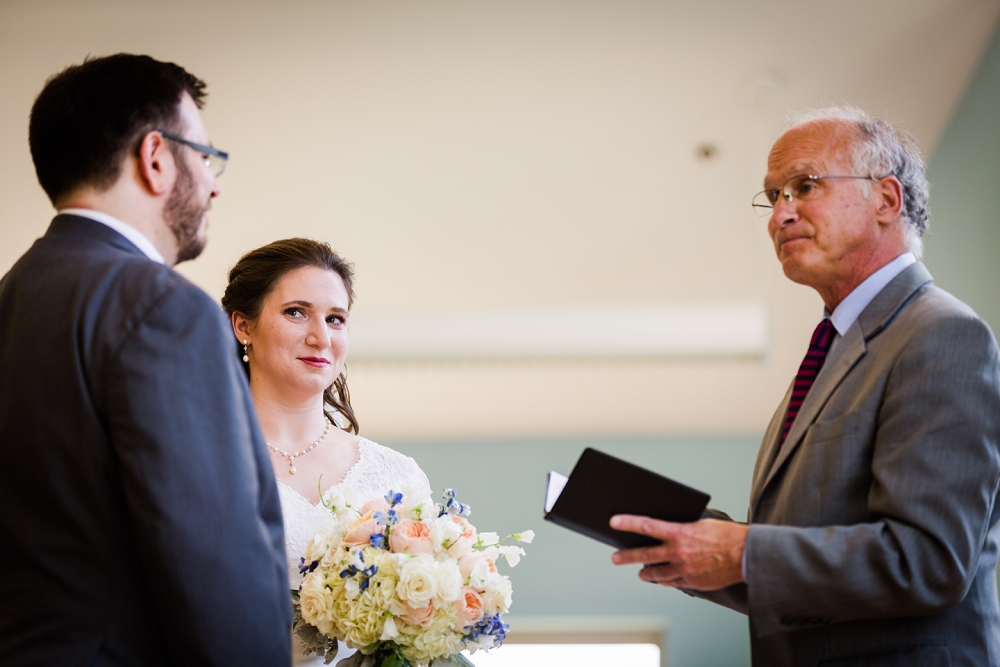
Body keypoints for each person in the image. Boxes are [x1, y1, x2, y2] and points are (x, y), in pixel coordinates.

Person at [610, 107, 1000, 665]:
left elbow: (927, 561)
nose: (780, 215)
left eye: (804, 186)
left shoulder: (941, 334)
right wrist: (698, 551)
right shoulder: (832, 352)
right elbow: (808, 578)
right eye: (773, 196)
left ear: (886, 200)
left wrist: (745, 553)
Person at [0, 54, 292, 665]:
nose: (214, 184)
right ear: (156, 157)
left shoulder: (14, 295)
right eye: (206, 157)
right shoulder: (161, 307)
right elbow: (214, 565)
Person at [222, 237, 430, 665]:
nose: (320, 337)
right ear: (243, 326)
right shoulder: (198, 463)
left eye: (336, 319)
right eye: (296, 313)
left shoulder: (396, 475)